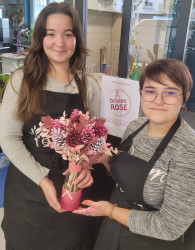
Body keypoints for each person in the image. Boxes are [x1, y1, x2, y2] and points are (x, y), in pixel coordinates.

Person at [0, 2, 100, 250]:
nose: (60, 42)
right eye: (51, 34)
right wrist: (43, 180)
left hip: (71, 191)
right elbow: (8, 138)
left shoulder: (89, 86)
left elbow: (94, 140)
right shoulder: (22, 81)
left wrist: (87, 164)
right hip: (28, 192)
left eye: (68, 34)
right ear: (40, 38)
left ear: (76, 38)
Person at [73, 58, 195, 250]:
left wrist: (111, 211)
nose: (158, 100)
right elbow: (127, 177)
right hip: (113, 229)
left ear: (185, 97)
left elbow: (170, 227)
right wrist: (105, 160)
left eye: (170, 93)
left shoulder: (189, 151)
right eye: (150, 91)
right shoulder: (136, 126)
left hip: (152, 241)